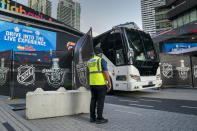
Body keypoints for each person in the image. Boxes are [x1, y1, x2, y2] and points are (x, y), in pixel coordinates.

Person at [87, 47, 112, 124]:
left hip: (92, 84)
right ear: (100, 54)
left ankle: (92, 118)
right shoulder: (101, 60)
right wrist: (109, 83)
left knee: (93, 100)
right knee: (100, 102)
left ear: (95, 53)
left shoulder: (89, 61)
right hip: (100, 84)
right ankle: (99, 118)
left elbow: (88, 73)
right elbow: (106, 72)